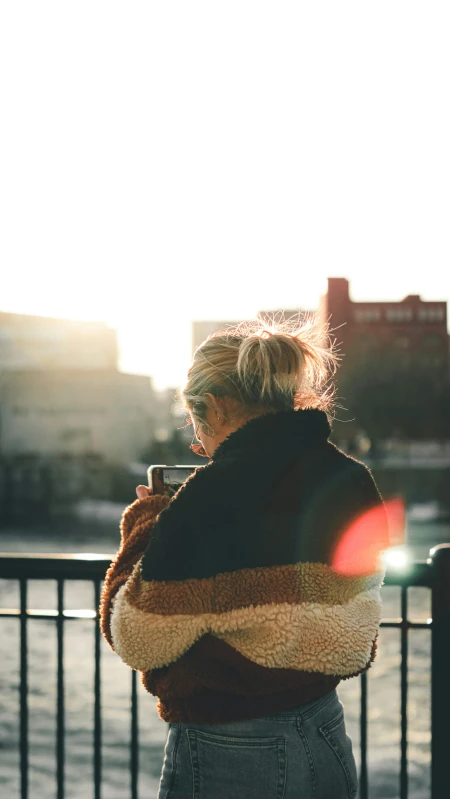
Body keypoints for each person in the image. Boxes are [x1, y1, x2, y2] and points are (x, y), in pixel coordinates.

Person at [99, 317, 389, 799]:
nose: (201, 444)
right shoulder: (350, 476)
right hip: (326, 735)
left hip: (233, 751)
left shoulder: (207, 496)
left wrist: (147, 523)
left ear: (213, 406)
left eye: (196, 427)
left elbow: (137, 636)